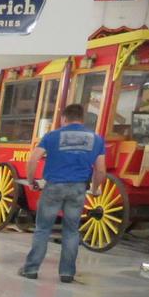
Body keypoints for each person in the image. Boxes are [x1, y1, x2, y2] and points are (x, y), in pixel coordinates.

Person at [19, 103, 107, 283]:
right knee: (71, 231)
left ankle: (31, 269)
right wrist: (95, 189)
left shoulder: (53, 136)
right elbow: (101, 170)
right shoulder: (96, 139)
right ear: (82, 119)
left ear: (64, 119)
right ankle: (67, 273)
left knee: (43, 228)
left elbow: (33, 158)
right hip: (78, 188)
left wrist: (30, 181)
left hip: (53, 186)